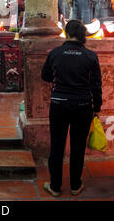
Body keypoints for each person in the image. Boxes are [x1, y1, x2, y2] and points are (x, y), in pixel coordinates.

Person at [41, 19, 102, 197]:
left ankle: (55, 186)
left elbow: (45, 75)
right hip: (82, 105)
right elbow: (96, 85)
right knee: (78, 146)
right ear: (83, 35)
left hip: (59, 104)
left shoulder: (55, 53)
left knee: (57, 146)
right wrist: (96, 108)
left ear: (66, 33)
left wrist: (61, 80)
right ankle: (75, 185)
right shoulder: (90, 56)